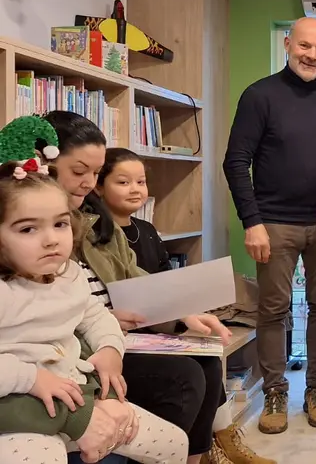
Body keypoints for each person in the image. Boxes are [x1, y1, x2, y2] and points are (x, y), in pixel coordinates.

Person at [33, 110, 251, 464]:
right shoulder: (37, 230)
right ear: (45, 161)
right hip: (85, 347)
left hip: (118, 334)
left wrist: (182, 316)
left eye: (94, 172)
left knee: (206, 358)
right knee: (183, 378)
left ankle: (201, 456)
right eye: (79, 172)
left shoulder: (96, 220)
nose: (88, 183)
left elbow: (134, 279)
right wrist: (107, 322)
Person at [0, 115, 188, 464]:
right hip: (23, 408)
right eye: (28, 229)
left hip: (82, 395)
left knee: (173, 442)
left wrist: (110, 347)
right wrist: (29, 378)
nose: (50, 239)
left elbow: (94, 313)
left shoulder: (67, 273)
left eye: (59, 224)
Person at [95, 147, 276, 464]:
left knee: (206, 356)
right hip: (123, 333)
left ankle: (208, 450)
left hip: (159, 327)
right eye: (123, 182)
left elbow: (165, 280)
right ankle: (200, 451)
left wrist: (188, 312)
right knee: (190, 371)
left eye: (141, 181)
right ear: (98, 186)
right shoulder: (97, 234)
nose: (135, 189)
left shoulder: (147, 231)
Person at [223, 16, 316, 435]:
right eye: (305, 46)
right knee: (274, 310)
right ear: (287, 45)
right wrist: (252, 222)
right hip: (273, 223)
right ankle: (276, 391)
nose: (313, 55)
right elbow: (236, 161)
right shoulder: (260, 95)